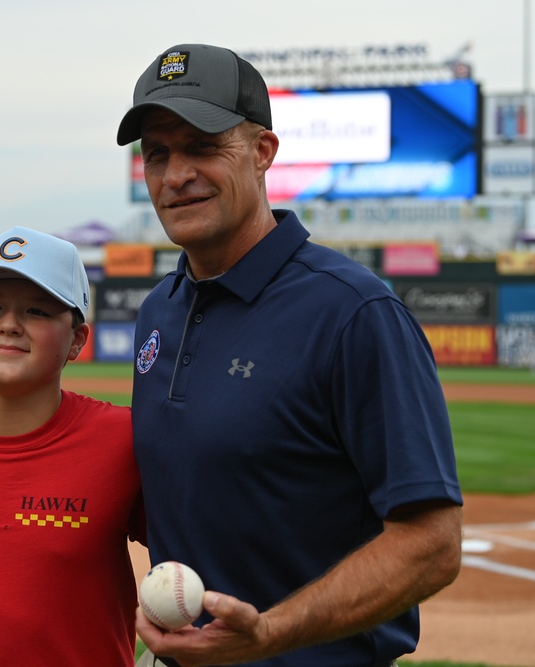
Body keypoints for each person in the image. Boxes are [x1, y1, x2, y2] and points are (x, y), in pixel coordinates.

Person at [116, 44, 463, 666]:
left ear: (262, 153)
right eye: (157, 154)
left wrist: (270, 633)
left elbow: (431, 544)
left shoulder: (353, 312)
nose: (175, 175)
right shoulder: (159, 310)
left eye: (202, 146)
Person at [0, 226, 146, 666]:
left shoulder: (123, 440)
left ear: (77, 340)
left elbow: (200, 552)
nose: (8, 324)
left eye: (37, 311)